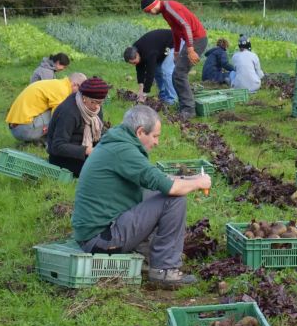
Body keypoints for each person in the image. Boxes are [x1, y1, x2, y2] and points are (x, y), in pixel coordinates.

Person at [72, 105, 211, 289]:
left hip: (95, 233)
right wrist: (199, 183)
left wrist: (190, 178)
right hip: (101, 240)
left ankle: (149, 255)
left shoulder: (117, 143)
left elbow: (157, 179)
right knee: (174, 199)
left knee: (156, 193)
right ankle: (164, 271)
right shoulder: (124, 152)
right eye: (155, 136)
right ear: (139, 132)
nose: (157, 142)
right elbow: (170, 188)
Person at [141, 0, 208, 119]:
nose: (149, 13)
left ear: (153, 5)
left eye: (148, 10)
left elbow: (186, 26)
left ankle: (188, 110)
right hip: (191, 41)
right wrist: (176, 50)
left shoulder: (169, 7)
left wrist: (190, 48)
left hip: (197, 40)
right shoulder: (165, 12)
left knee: (179, 74)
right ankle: (184, 106)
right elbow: (175, 31)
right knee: (177, 74)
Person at [47, 77, 109, 178]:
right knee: (106, 170)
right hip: (63, 159)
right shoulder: (69, 112)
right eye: (95, 102)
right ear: (84, 98)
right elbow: (57, 146)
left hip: (86, 152)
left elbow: (98, 134)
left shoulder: (95, 108)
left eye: (101, 102)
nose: (98, 106)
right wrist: (87, 150)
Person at [5, 72, 87, 142]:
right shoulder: (62, 91)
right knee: (65, 113)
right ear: (75, 85)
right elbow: (58, 118)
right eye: (81, 91)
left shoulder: (58, 84)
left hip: (17, 127)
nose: (80, 94)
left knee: (60, 111)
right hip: (23, 130)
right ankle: (51, 142)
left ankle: (40, 140)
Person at [123, 29, 177, 105]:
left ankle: (173, 99)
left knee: (166, 70)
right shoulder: (135, 49)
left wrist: (145, 93)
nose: (134, 64)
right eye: (132, 63)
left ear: (137, 54)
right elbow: (140, 68)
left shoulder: (148, 53)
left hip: (173, 42)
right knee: (158, 71)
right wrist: (141, 88)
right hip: (160, 48)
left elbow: (150, 73)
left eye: (134, 62)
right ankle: (163, 95)